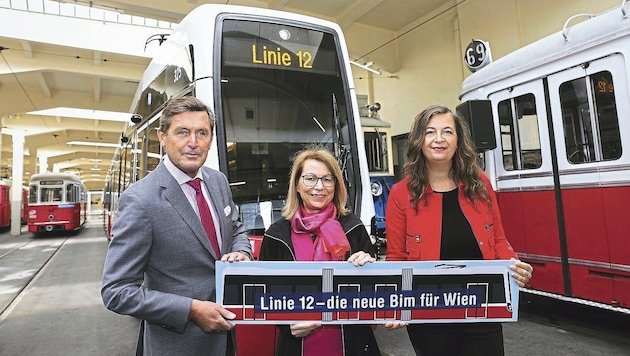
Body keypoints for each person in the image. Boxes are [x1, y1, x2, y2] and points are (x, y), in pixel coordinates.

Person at [101, 96, 252, 356]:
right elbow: (116, 291)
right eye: (182, 132)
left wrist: (242, 251)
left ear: (211, 139)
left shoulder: (218, 182)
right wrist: (191, 309)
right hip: (177, 346)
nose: (193, 142)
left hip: (227, 340)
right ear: (162, 136)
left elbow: (236, 228)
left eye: (201, 133)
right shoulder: (140, 200)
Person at [384, 105, 534, 356]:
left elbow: (498, 239)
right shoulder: (401, 193)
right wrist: (396, 304)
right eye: (430, 132)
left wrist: (514, 268)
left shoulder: (480, 183)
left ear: (458, 140)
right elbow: (396, 257)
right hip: (427, 313)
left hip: (481, 306)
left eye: (447, 132)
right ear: (419, 141)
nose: (439, 139)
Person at [258, 146, 381, 356]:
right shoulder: (276, 235)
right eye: (310, 178)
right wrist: (287, 323)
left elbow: (375, 292)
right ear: (297, 185)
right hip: (296, 346)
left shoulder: (353, 226)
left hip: (352, 343)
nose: (319, 186)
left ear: (336, 185)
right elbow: (263, 294)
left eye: (327, 179)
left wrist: (370, 268)